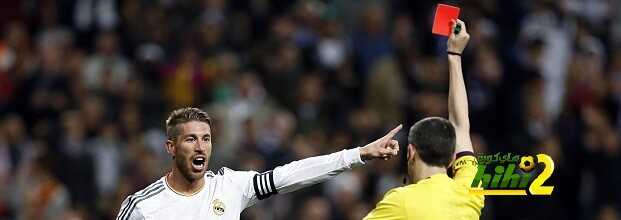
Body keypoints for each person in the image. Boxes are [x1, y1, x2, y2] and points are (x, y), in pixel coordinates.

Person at [115, 107, 402, 220]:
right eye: (190, 139)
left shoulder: (230, 186)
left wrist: (358, 154)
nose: (201, 146)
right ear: (171, 147)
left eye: (206, 138)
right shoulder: (143, 207)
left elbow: (290, 175)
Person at [364, 19, 484, 219]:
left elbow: (460, 127)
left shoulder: (400, 202)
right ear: (453, 158)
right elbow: (461, 126)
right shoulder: (470, 191)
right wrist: (455, 55)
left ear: (411, 152)